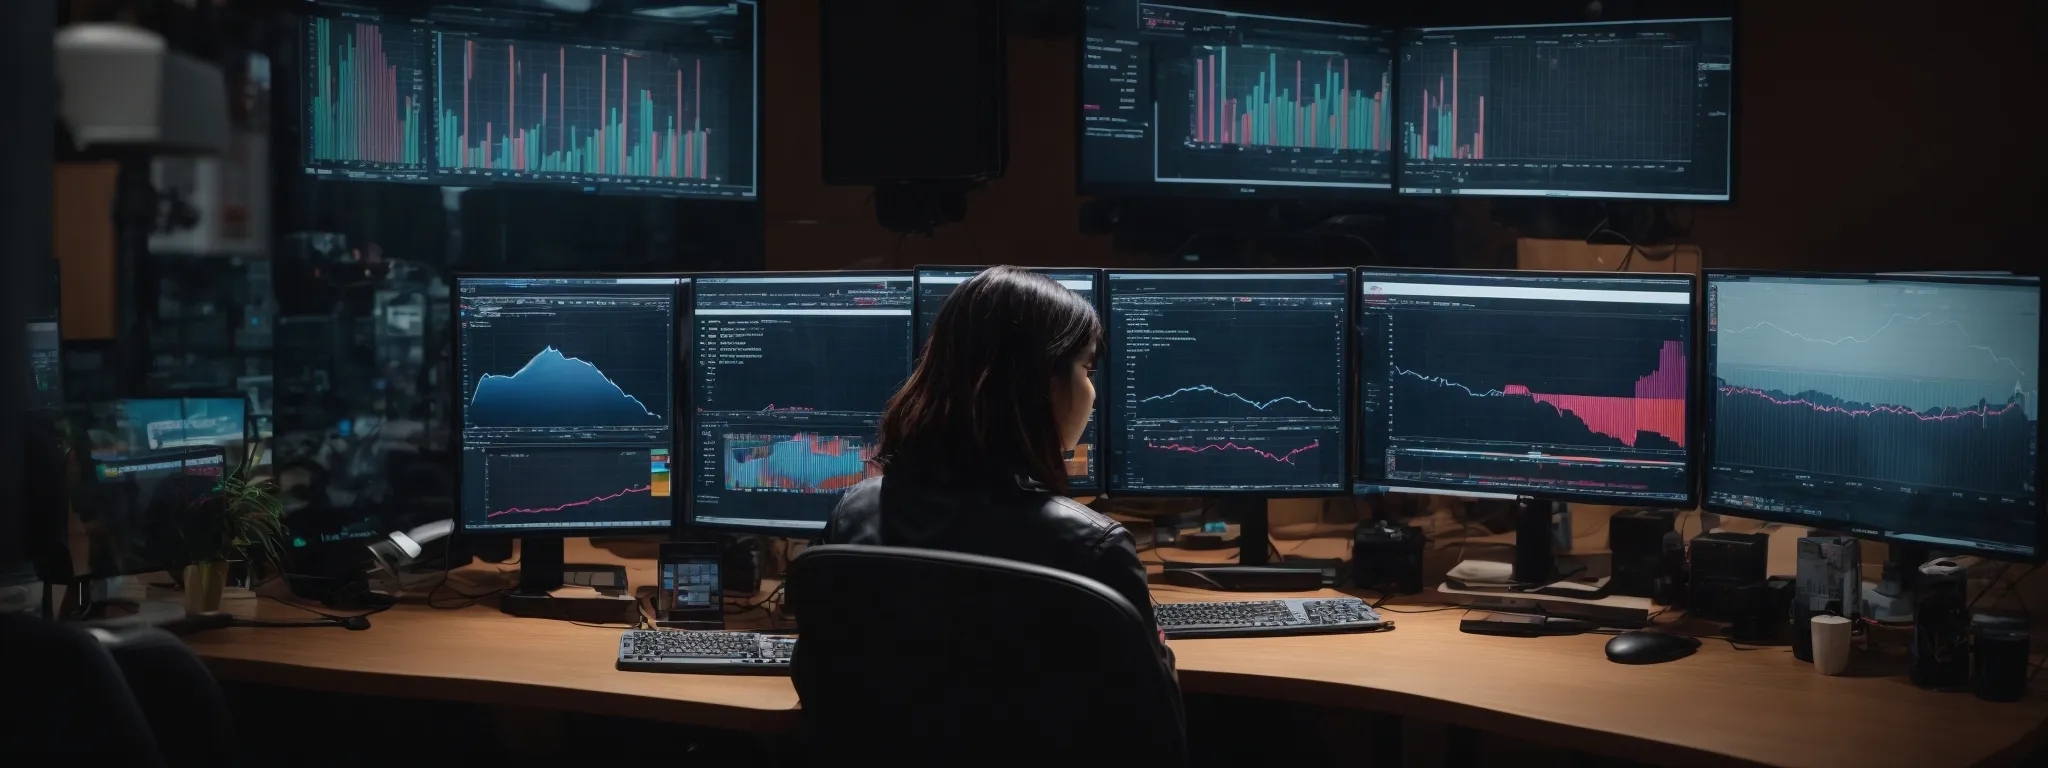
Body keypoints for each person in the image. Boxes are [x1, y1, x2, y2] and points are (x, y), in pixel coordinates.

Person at [821, 265, 1173, 669]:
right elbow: (1155, 722)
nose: (1091, 391)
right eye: (1087, 369)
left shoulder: (852, 517)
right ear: (1039, 385)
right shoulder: (1093, 548)